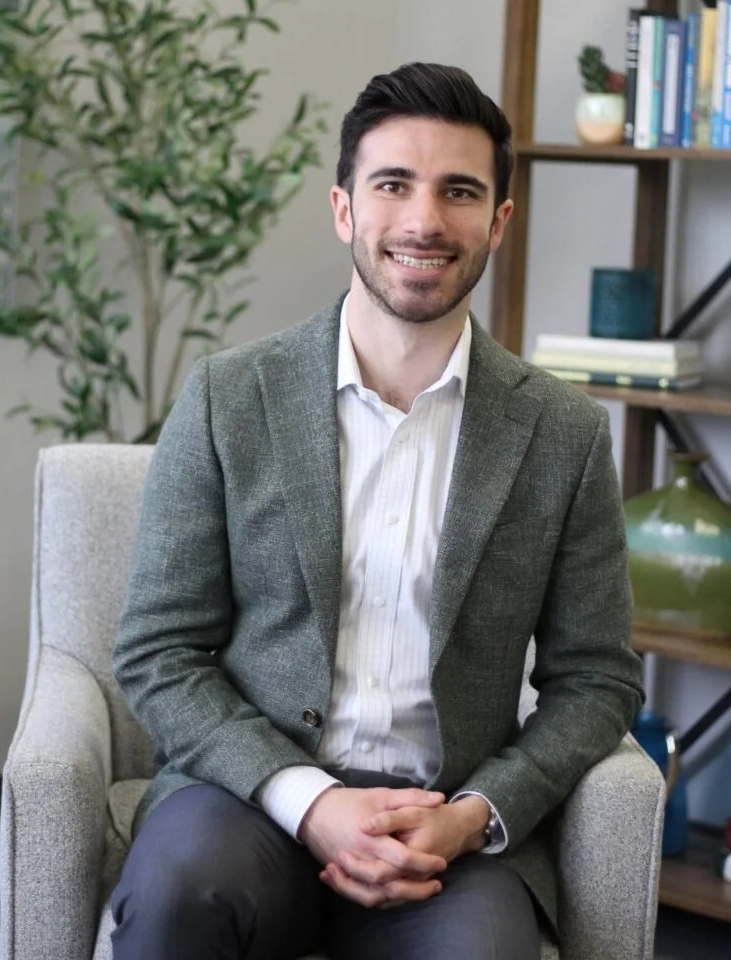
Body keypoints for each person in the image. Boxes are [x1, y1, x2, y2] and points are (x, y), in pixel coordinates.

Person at [110, 61, 644, 960]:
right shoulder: (226, 397)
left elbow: (598, 679)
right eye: (393, 184)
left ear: (499, 222)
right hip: (251, 800)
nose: (425, 221)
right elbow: (160, 648)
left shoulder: (564, 435)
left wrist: (478, 815)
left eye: (460, 191)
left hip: (447, 829)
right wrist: (308, 801)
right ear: (344, 208)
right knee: (176, 900)